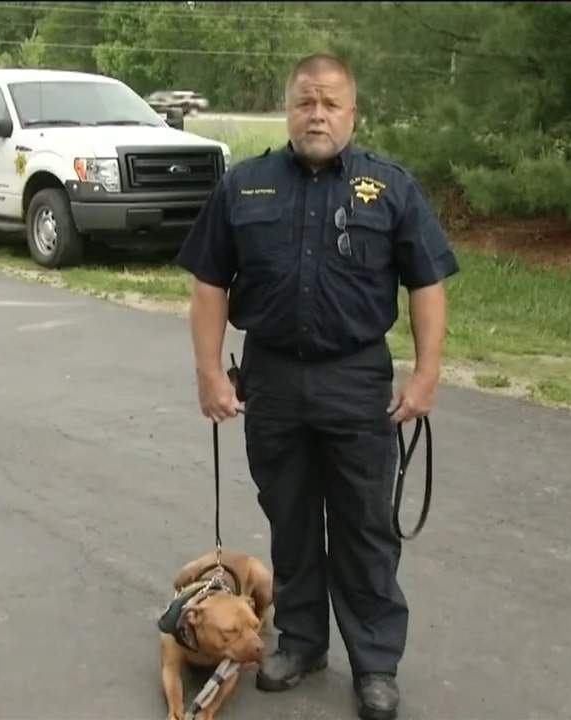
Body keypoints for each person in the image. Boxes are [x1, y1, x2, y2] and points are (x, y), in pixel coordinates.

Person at [175, 53, 458, 720]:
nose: (317, 114)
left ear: (352, 113)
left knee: (364, 530)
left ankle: (376, 665)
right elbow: (209, 283)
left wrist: (425, 375)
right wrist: (211, 373)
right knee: (293, 523)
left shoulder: (389, 188)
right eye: (306, 102)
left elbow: (428, 283)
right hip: (271, 378)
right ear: (289, 109)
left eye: (331, 103)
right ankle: (300, 643)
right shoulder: (244, 187)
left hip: (356, 380)